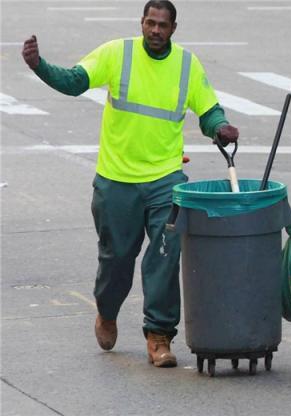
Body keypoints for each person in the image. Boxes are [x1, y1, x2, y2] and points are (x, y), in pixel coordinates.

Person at [22, 0, 239, 368]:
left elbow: (208, 108)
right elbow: (75, 81)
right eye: (150, 23)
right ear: (141, 23)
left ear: (174, 28)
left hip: (165, 178)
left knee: (166, 254)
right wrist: (39, 66)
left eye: (163, 25)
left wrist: (219, 127)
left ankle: (159, 336)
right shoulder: (116, 53)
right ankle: (107, 312)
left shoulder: (187, 65)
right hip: (116, 180)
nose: (156, 30)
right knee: (116, 261)